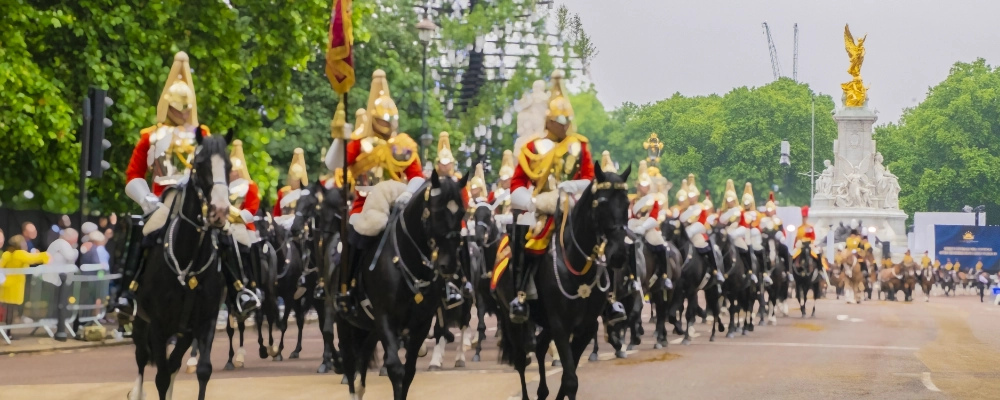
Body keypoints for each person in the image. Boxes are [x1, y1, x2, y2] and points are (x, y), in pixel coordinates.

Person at [117, 51, 257, 318]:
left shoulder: (201, 136)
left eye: (185, 108)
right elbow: (134, 174)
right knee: (145, 232)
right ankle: (129, 293)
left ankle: (240, 290)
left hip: (197, 199)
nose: (181, 113)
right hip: (164, 199)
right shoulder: (151, 137)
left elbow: (215, 172)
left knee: (226, 233)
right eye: (176, 108)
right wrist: (147, 200)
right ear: (167, 105)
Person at [507, 70, 613, 323]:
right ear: (549, 121)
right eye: (559, 120)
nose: (564, 124)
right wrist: (529, 202)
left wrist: (572, 187)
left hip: (573, 202)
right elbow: (518, 182)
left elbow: (589, 177)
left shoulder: (579, 145)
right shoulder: (533, 147)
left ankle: (610, 298)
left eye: (567, 119)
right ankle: (522, 292)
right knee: (525, 235)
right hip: (541, 206)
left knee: (605, 237)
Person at [328, 69, 424, 314]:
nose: (387, 125)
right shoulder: (360, 144)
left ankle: (431, 292)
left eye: (390, 120)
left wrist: (406, 194)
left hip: (397, 207)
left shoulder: (403, 146)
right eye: (383, 120)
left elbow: (417, 177)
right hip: (364, 205)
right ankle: (347, 289)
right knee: (352, 242)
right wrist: (340, 137)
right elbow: (334, 164)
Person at [1, 235, 50, 330]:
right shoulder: (19, 254)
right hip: (15, 285)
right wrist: (46, 255)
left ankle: (8, 332)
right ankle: (8, 332)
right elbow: (33, 258)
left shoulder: (7, 254)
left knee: (8, 309)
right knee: (12, 310)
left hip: (6, 284)